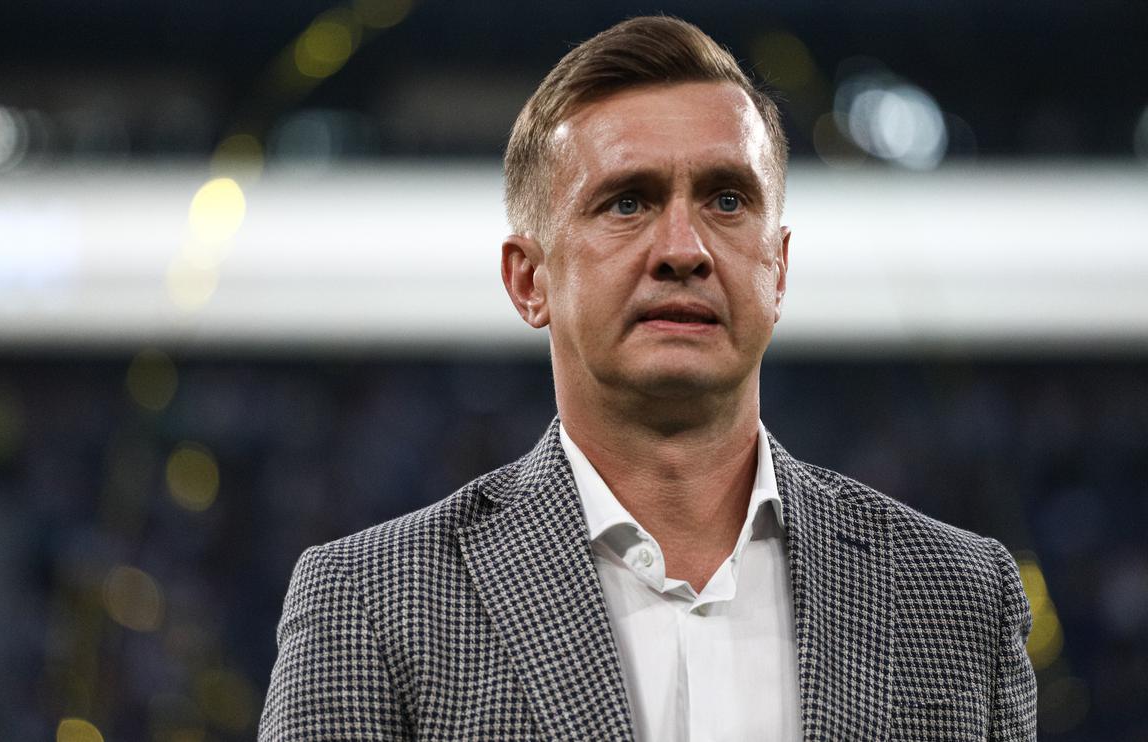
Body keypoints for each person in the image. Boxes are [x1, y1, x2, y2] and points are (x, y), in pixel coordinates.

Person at [259, 16, 1036, 741]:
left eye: (727, 199)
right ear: (528, 279)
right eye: (627, 202)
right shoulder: (369, 604)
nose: (683, 250)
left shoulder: (964, 598)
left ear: (778, 270)